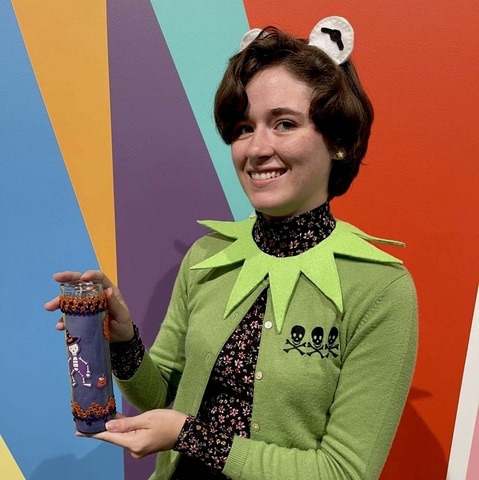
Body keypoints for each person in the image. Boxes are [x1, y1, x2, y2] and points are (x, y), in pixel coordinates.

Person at [45, 16, 418, 480]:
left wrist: (191, 435)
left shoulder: (381, 289)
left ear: (338, 140)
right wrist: (122, 341)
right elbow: (161, 395)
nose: (256, 148)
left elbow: (344, 471)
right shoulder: (207, 257)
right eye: (243, 127)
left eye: (284, 123)